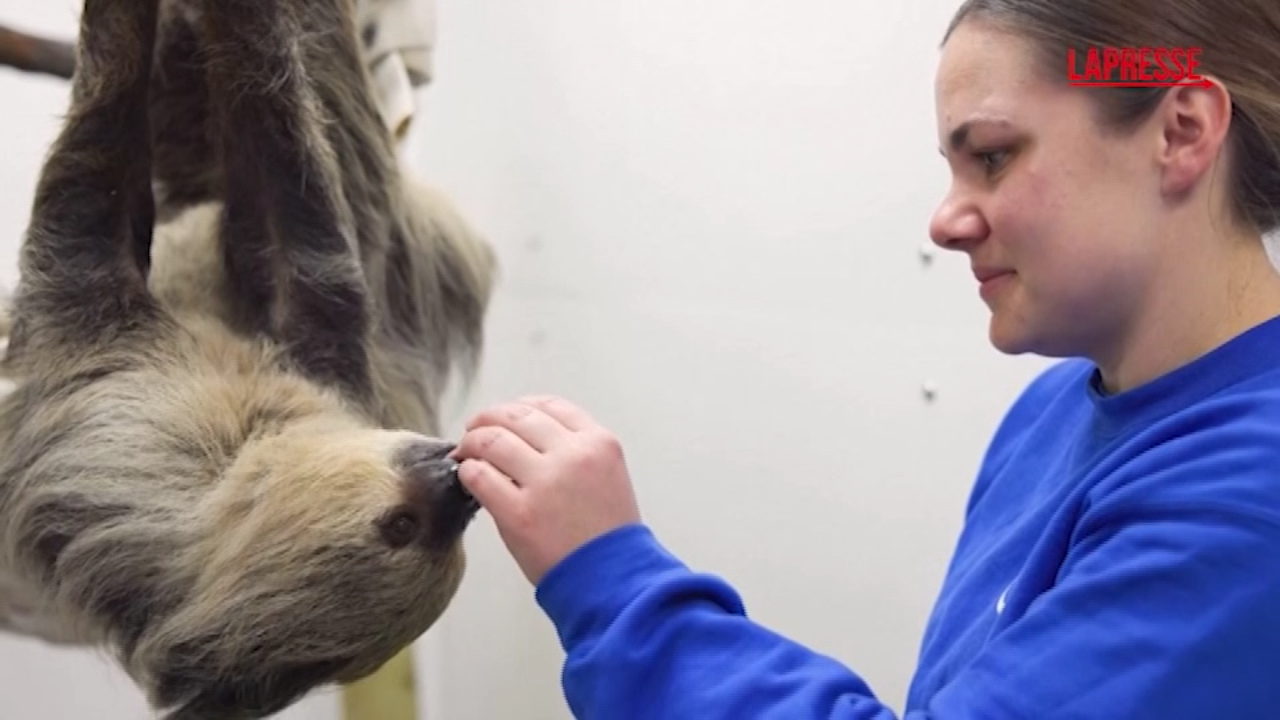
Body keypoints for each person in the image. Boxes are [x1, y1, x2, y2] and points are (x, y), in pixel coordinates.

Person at [449, 0, 1280, 717]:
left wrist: (614, 582)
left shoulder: (1249, 494)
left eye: (991, 156)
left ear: (1182, 132)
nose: (947, 220)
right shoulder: (1057, 409)